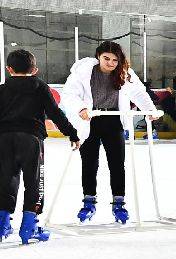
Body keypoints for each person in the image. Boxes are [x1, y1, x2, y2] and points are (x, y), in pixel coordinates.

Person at [60, 41, 159, 224]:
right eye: (106, 58)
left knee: (117, 164)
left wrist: (150, 110)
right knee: (89, 163)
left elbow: (139, 92)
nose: (110, 63)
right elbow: (69, 94)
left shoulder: (124, 73)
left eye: (115, 60)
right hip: (90, 119)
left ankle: (119, 203)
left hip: (114, 121)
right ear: (98, 56)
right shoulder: (84, 72)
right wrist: (81, 108)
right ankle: (88, 201)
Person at [0, 49, 80, 244]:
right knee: (34, 180)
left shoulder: (1, 89)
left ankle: (2, 224)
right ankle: (29, 225)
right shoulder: (40, 87)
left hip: (4, 138)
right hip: (31, 139)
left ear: (8, 69)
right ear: (34, 69)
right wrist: (71, 132)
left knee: (6, 178)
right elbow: (55, 113)